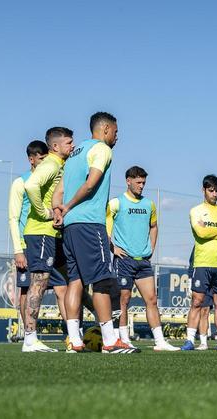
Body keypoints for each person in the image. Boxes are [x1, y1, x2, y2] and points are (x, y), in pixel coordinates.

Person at [54, 111, 134, 354]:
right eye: (116, 132)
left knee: (75, 281)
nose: (117, 137)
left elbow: (59, 191)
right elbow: (90, 184)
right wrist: (68, 207)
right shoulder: (102, 149)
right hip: (89, 224)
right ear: (106, 129)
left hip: (70, 227)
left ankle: (74, 341)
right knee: (102, 282)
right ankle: (110, 341)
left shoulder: (75, 153)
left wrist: (59, 211)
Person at [106, 165, 177, 351]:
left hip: (143, 261)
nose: (141, 186)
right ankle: (123, 339)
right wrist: (113, 248)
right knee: (124, 299)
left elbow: (154, 226)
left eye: (144, 182)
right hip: (124, 260)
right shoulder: (116, 203)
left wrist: (151, 247)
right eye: (138, 182)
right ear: (128, 181)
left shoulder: (149, 204)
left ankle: (160, 342)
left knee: (151, 299)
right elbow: (105, 229)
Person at [21, 128, 73, 353]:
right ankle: (30, 339)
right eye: (68, 142)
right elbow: (30, 185)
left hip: (52, 234)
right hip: (41, 232)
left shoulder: (60, 165)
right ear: (55, 146)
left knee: (64, 284)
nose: (72, 146)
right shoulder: (50, 164)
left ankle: (75, 334)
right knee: (39, 283)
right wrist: (44, 213)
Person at [182, 174, 217, 351]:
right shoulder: (196, 211)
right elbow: (201, 233)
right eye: (211, 190)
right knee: (197, 302)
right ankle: (190, 340)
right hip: (202, 263)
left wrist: (209, 229)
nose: (214, 194)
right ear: (203, 190)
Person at [8, 140, 49, 343]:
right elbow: (13, 218)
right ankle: (29, 337)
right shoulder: (20, 182)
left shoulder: (50, 181)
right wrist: (18, 250)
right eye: (41, 159)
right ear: (31, 159)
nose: (44, 163)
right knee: (26, 289)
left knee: (55, 288)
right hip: (26, 244)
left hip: (46, 241)